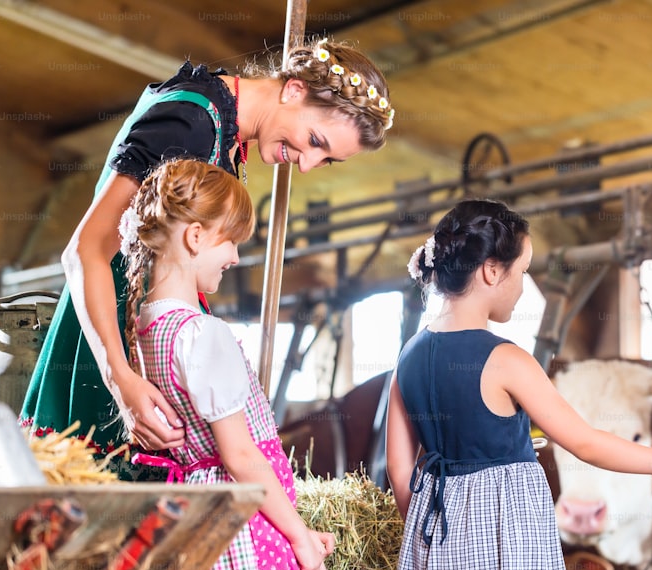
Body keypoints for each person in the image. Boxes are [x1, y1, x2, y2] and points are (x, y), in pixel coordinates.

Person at [21, 36, 393, 480]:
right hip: (111, 353)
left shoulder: (224, 127)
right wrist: (121, 380)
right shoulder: (192, 120)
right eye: (315, 140)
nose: (309, 164)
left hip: (147, 349)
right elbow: (83, 252)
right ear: (293, 90)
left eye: (327, 160)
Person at [379, 199, 652, 570]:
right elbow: (583, 441)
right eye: (522, 272)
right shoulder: (508, 360)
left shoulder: (408, 356)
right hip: (506, 535)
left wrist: (427, 535)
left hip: (436, 530)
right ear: (492, 272)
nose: (521, 288)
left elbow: (399, 466)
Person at [119, 157, 335, 570]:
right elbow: (239, 456)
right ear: (194, 237)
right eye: (229, 240)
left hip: (196, 524)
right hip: (243, 526)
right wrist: (298, 535)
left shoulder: (143, 330)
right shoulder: (202, 333)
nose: (236, 257)